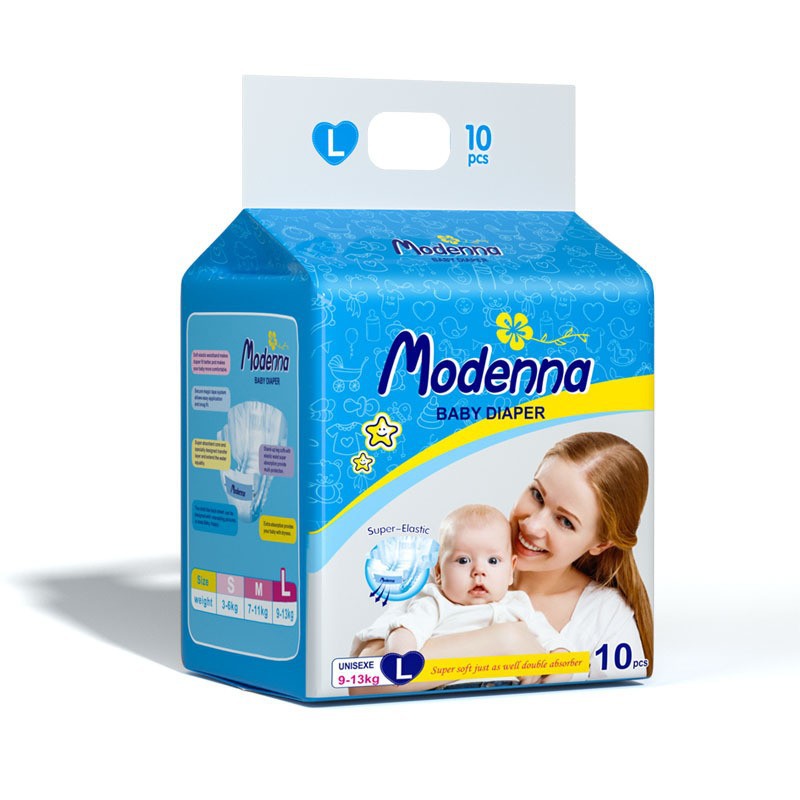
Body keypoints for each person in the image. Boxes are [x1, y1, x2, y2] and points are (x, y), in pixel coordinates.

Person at [351, 431, 653, 693]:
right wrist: (504, 642)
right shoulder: (460, 566)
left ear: (600, 544)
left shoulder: (604, 616)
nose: (532, 525)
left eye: (565, 521)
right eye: (537, 495)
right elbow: (362, 680)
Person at [352, 504, 566, 660]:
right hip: (449, 689)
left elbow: (551, 640)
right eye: (463, 560)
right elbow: (407, 629)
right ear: (438, 572)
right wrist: (402, 654)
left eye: (493, 561)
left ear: (511, 570)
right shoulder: (435, 602)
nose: (479, 571)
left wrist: (559, 662)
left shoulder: (519, 604)